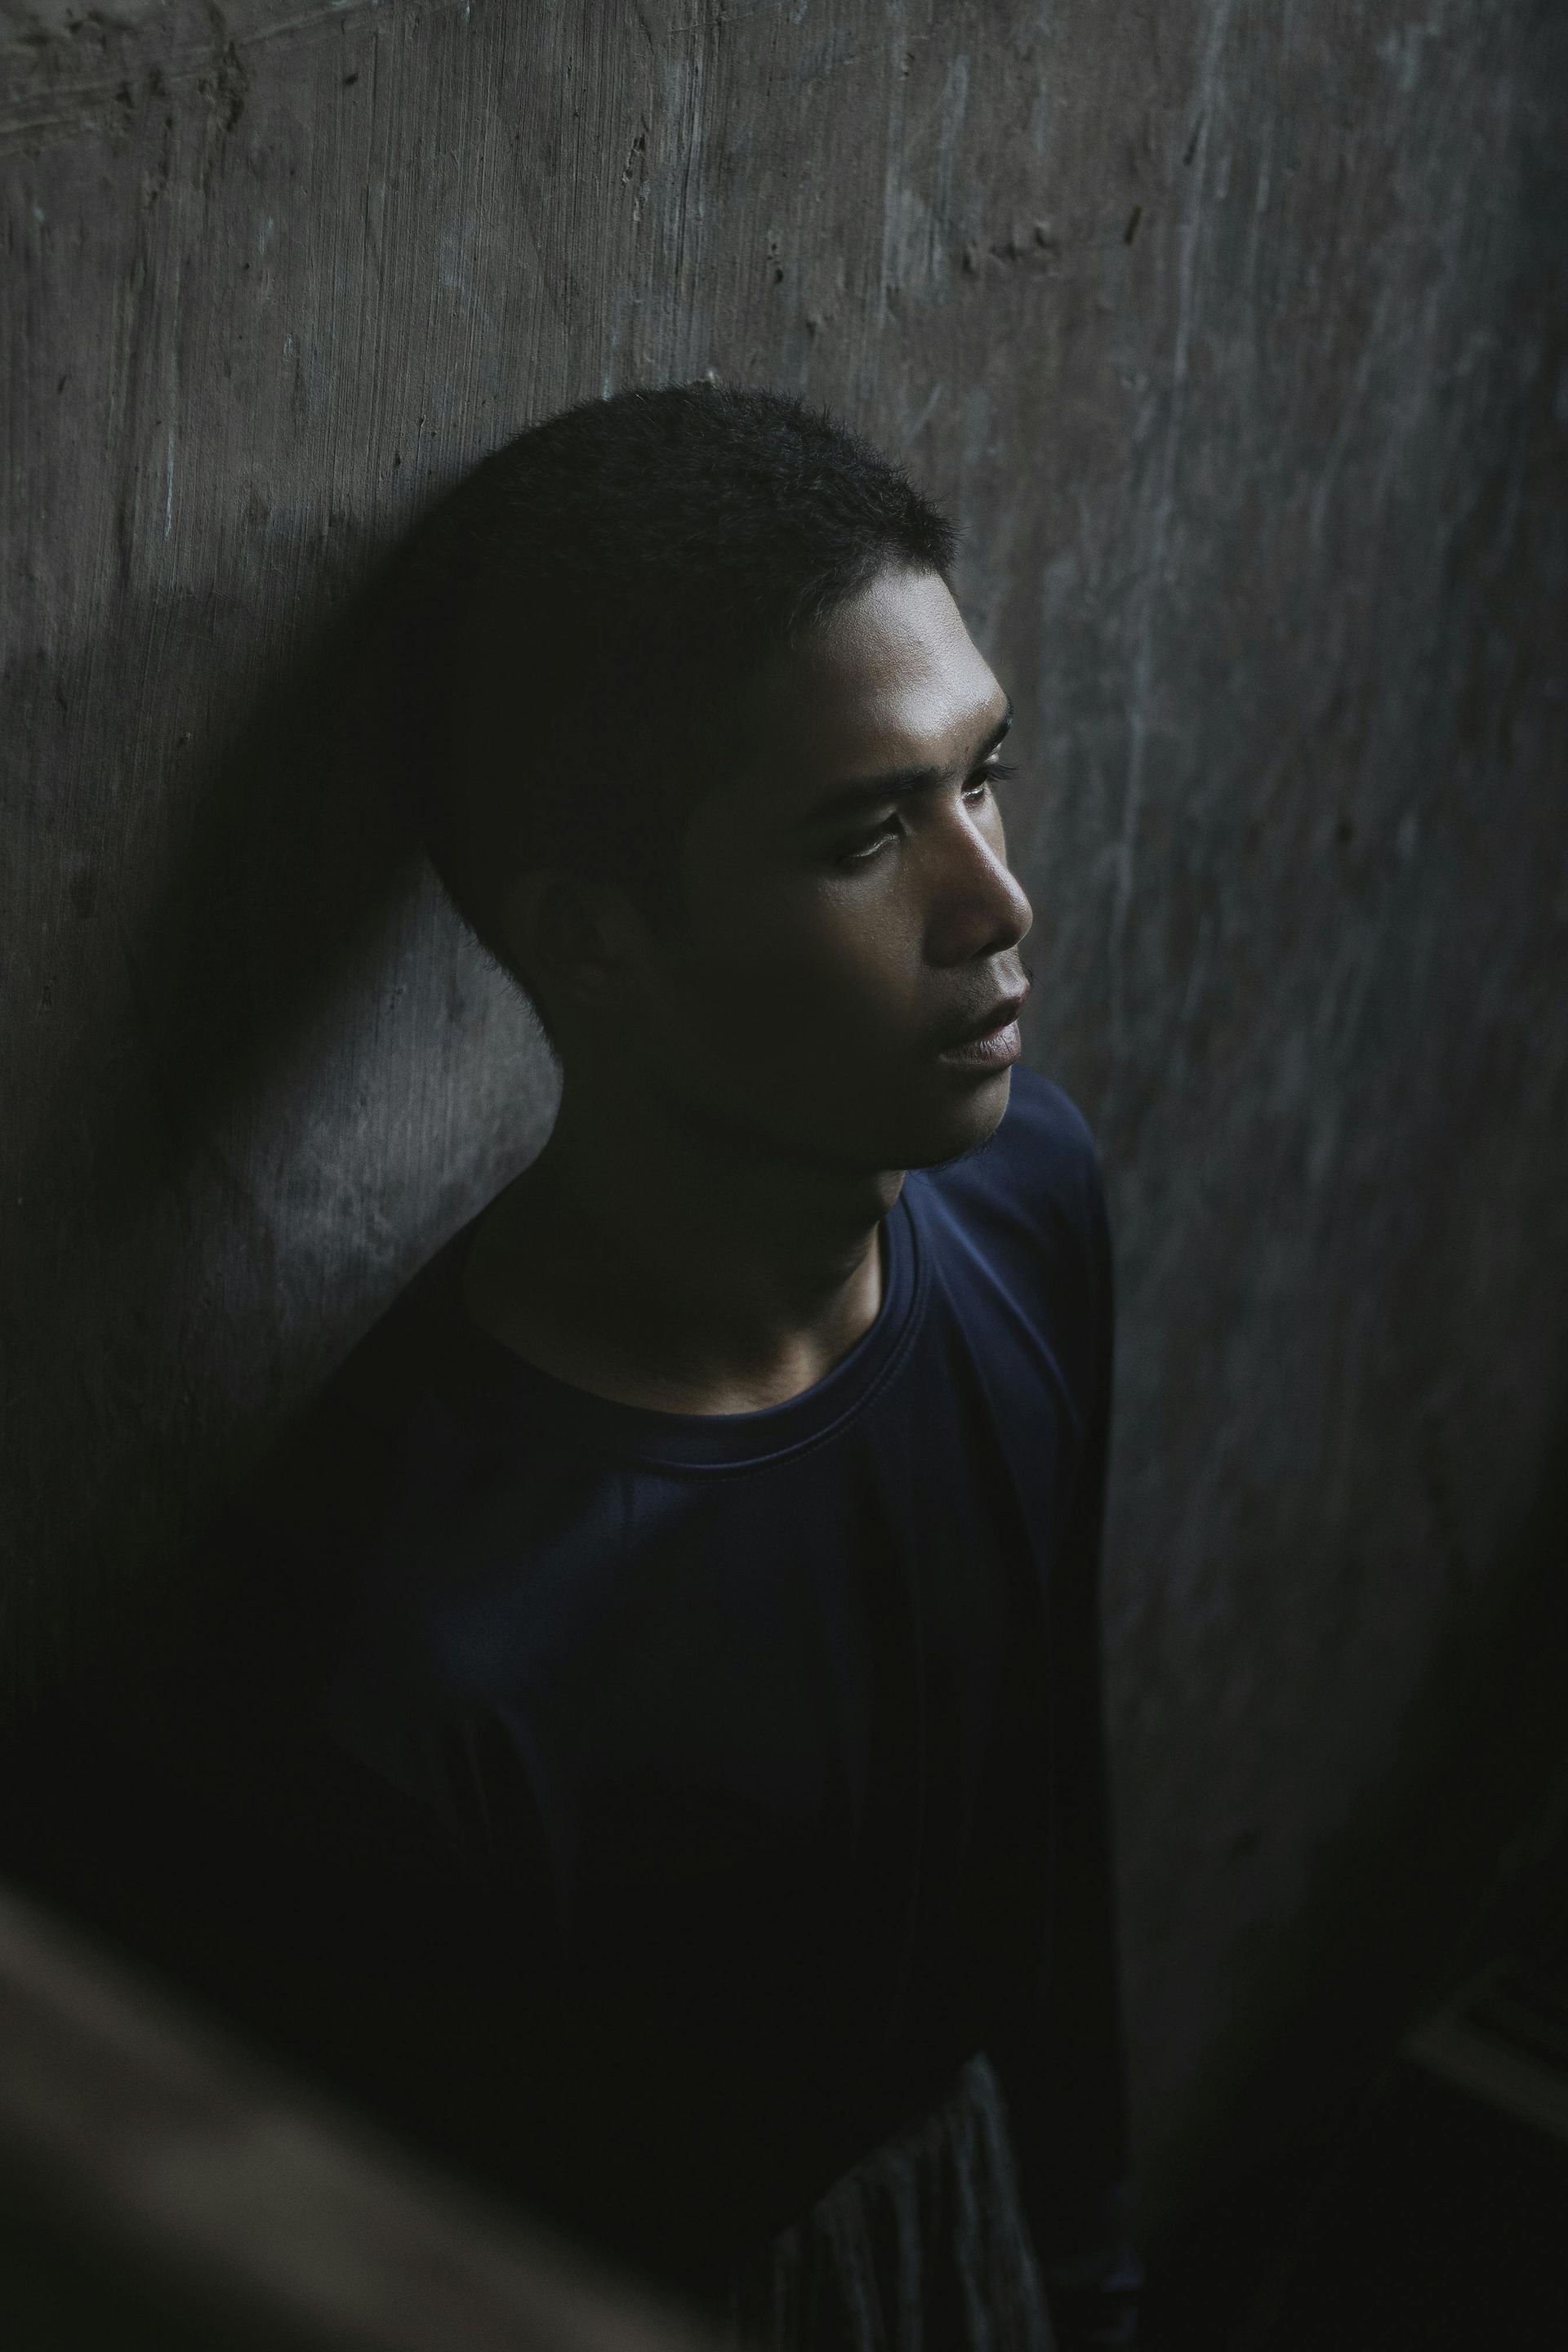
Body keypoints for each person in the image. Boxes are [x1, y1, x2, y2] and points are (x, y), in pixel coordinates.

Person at [8, 385, 1141, 2348]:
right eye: (868, 832)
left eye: (987, 777)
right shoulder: (411, 1658)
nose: (996, 902)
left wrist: (1092, 2277)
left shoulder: (1031, 1201)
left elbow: (1046, 1852)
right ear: (594, 944)